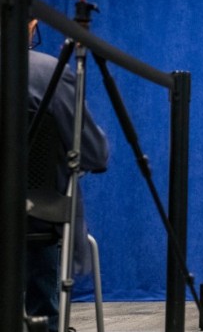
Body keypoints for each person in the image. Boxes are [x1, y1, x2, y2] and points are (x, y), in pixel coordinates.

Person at [25, 17, 109, 331]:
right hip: (36, 217)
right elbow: (95, 155)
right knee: (38, 218)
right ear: (31, 25)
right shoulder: (50, 73)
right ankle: (44, 322)